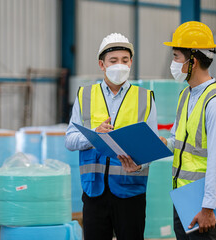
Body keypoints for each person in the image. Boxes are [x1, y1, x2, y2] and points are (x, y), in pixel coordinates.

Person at [65, 33, 158, 240]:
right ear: (102, 64)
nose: (120, 65)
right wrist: (94, 136)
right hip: (94, 191)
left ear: (131, 62)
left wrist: (140, 165)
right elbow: (69, 140)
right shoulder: (84, 95)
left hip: (130, 191)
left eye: (125, 60)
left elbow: (152, 146)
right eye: (113, 61)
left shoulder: (145, 98)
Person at [160, 21, 216, 240]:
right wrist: (163, 143)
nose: (173, 63)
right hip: (182, 196)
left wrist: (208, 207)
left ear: (192, 61)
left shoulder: (215, 103)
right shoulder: (186, 95)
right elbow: (179, 139)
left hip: (202, 204)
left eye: (176, 57)